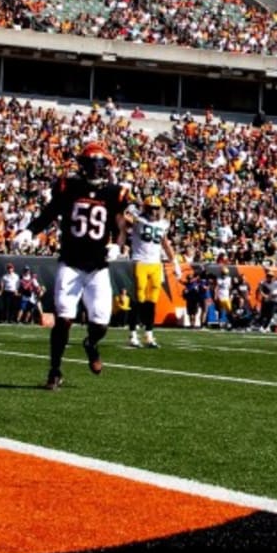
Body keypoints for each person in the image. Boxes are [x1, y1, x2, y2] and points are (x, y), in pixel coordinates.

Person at [17, 140, 130, 390]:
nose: (97, 169)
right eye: (93, 164)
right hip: (70, 263)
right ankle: (55, 370)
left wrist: (119, 245)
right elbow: (49, 213)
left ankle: (91, 344)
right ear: (83, 165)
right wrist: (30, 231)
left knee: (100, 324)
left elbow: (120, 226)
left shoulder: (114, 192)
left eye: (102, 165)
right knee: (64, 320)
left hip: (98, 266)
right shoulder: (68, 186)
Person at [127, 194, 180, 348]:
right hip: (140, 262)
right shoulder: (138, 220)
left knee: (152, 301)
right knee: (139, 298)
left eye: (156, 208)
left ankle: (149, 335)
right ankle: (132, 334)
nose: (154, 211)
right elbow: (126, 216)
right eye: (151, 208)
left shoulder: (163, 224)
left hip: (156, 264)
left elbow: (165, 243)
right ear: (145, 208)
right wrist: (132, 206)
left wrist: (174, 261)